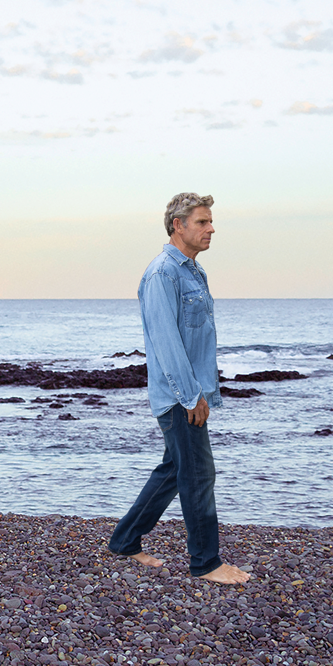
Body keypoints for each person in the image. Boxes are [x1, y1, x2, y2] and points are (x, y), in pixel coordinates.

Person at [108, 194, 250, 584]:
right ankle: (206, 562)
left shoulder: (193, 272)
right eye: (202, 222)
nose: (211, 228)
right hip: (179, 396)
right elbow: (166, 342)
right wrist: (191, 396)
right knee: (198, 475)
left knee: (175, 469)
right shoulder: (162, 275)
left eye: (210, 221)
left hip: (191, 391)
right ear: (178, 226)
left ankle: (124, 540)